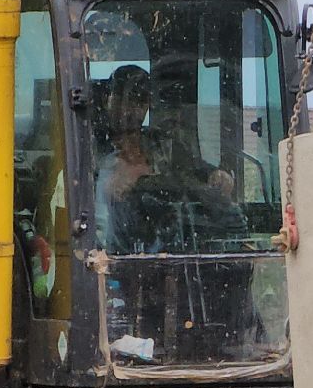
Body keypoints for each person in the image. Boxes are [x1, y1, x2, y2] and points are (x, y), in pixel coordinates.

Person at [95, 63, 236, 251]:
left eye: (139, 101)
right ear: (106, 99)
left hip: (166, 248)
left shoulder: (162, 144)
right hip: (108, 254)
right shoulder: (88, 147)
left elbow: (194, 169)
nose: (128, 110)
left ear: (147, 105)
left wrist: (215, 175)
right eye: (121, 99)